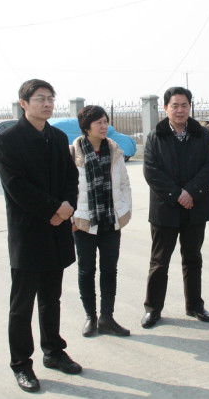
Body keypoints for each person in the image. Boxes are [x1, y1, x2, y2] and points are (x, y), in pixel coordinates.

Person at [0, 79, 81, 393]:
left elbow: (71, 175)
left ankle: (53, 351)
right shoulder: (8, 141)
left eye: (50, 99)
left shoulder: (57, 137)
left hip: (57, 229)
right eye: (40, 98)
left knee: (51, 299)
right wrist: (54, 209)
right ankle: (21, 364)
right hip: (29, 232)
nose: (47, 104)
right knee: (22, 305)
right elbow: (16, 186)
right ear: (23, 103)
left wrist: (67, 206)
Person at [141, 87, 209, 329]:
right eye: (175, 105)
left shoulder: (202, 134)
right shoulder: (155, 136)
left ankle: (194, 305)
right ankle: (153, 309)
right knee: (159, 261)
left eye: (184, 105)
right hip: (165, 209)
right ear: (166, 108)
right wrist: (177, 195)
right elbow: (151, 171)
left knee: (193, 259)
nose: (180, 110)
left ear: (190, 107)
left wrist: (191, 192)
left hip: (195, 207)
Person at [70, 105, 132, 338]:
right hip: (83, 222)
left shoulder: (114, 150)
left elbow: (124, 184)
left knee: (109, 270)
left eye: (106, 121)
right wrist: (73, 217)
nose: (104, 126)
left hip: (110, 221)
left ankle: (107, 317)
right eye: (99, 122)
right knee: (86, 270)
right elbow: (68, 188)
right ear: (86, 127)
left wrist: (124, 211)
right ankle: (90, 316)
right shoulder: (74, 152)